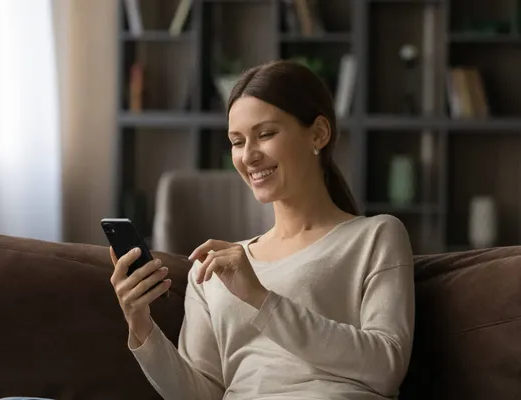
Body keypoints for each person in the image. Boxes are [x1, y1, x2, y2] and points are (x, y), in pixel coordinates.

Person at [109, 60, 415, 400]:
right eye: (237, 141)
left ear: (318, 133)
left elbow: (386, 367)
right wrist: (140, 325)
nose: (249, 156)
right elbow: (200, 395)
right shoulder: (213, 271)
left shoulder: (375, 237)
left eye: (266, 134)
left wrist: (260, 298)